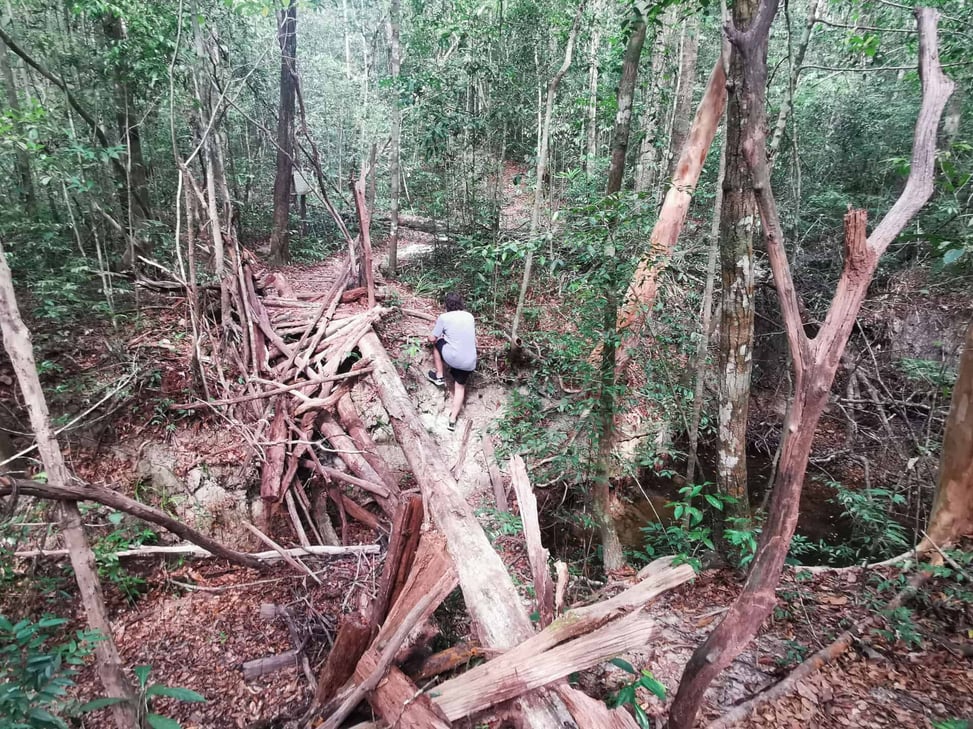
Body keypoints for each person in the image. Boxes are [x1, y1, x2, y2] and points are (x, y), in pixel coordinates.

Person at [427, 292, 476, 431]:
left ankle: (439, 376)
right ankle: (452, 420)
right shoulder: (469, 316)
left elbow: (433, 338)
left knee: (437, 344)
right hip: (470, 362)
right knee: (460, 387)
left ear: (446, 304)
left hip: (454, 358)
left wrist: (429, 337)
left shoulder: (444, 317)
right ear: (461, 303)